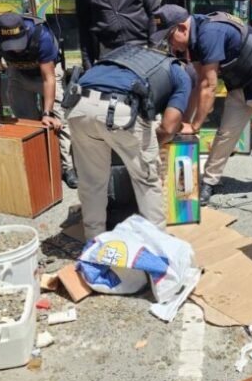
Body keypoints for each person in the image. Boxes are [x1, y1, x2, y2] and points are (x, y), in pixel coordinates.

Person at [154, 5, 252, 204]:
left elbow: (209, 85)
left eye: (169, 38)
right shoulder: (195, 39)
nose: (170, 45)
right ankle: (209, 181)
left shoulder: (209, 34)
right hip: (241, 85)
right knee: (226, 134)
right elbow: (199, 83)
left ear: (181, 28)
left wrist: (196, 126)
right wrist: (185, 123)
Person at [66, 44, 194, 239]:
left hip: (77, 104)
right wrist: (149, 149)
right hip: (118, 108)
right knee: (147, 180)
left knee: (92, 182)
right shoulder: (181, 75)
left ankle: (94, 244)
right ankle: (157, 244)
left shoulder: (129, 52)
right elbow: (168, 127)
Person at [0, 12, 78, 188]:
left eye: (18, 44)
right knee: (25, 122)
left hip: (47, 74)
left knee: (59, 120)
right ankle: (38, 163)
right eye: (10, 46)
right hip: (18, 74)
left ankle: (68, 168)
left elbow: (48, 78)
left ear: (25, 31)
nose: (15, 49)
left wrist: (47, 112)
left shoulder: (41, 35)